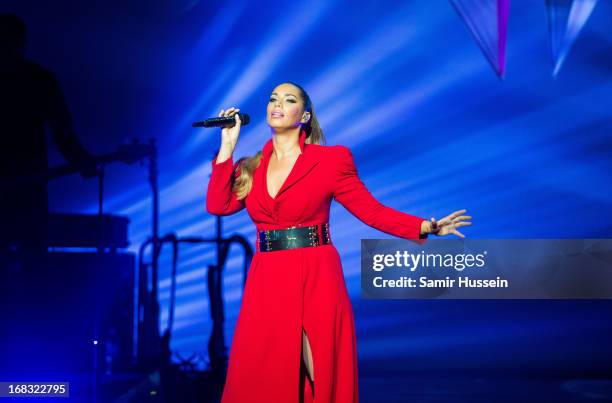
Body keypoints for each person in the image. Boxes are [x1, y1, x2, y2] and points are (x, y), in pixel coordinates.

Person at [206, 82, 472, 403]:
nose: (277, 104)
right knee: (263, 372)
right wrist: (227, 146)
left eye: (288, 100)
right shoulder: (251, 167)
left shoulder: (331, 160)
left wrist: (425, 226)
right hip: (267, 277)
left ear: (303, 115)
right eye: (273, 98)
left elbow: (371, 211)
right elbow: (218, 205)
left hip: (315, 272)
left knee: (317, 368)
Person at [0, 13, 97, 252]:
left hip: (29, 187)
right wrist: (81, 160)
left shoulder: (40, 80)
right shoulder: (40, 79)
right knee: (33, 260)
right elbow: (63, 132)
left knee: (32, 255)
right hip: (29, 187)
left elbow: (63, 131)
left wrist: (80, 159)